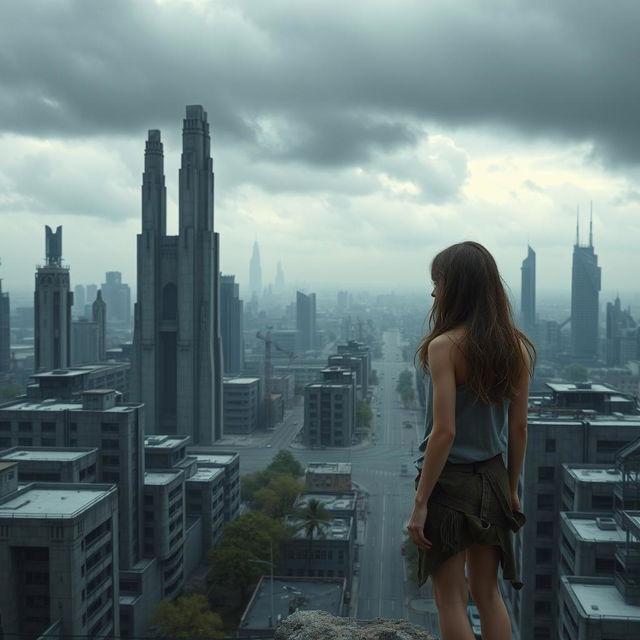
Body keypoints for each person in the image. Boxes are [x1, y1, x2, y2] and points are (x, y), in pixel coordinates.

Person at [407, 241, 534, 640]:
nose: (433, 292)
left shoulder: (445, 346)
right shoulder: (516, 347)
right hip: (494, 479)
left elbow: (444, 432)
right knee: (487, 593)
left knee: (450, 598)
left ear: (456, 286)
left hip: (450, 481)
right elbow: (519, 428)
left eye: (438, 282)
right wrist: (511, 489)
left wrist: (421, 502)